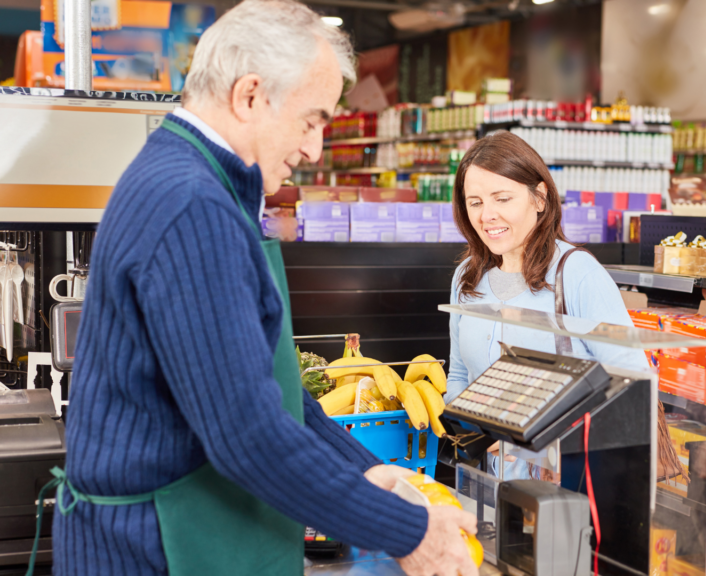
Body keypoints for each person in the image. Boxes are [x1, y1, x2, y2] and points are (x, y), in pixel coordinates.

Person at [54, 2, 477, 575]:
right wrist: (408, 532)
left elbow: (262, 386)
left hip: (176, 531)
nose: (314, 151)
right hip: (154, 548)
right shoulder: (192, 208)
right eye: (311, 120)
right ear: (249, 96)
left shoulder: (197, 184)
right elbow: (245, 433)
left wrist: (361, 471)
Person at [446, 131, 649, 479]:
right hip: (482, 480)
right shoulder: (467, 276)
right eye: (475, 202)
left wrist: (537, 443)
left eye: (502, 198)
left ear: (539, 198)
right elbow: (460, 375)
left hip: (561, 483)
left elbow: (632, 383)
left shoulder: (578, 273)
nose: (487, 215)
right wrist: (471, 430)